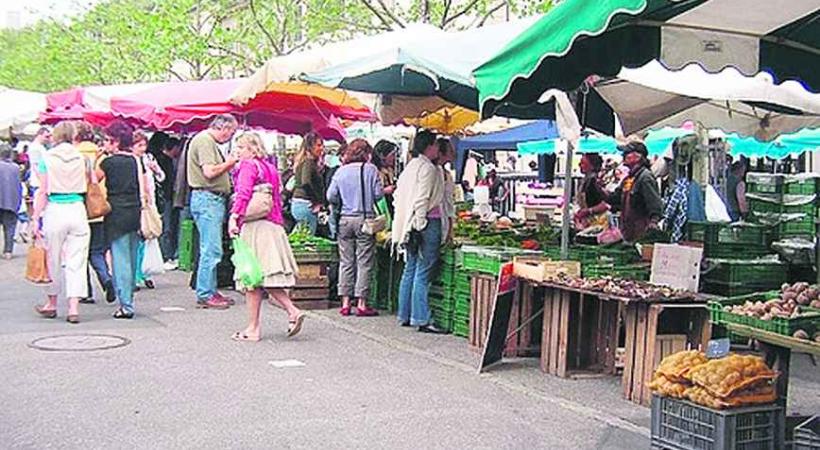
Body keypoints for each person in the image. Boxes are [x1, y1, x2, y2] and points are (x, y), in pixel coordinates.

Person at [227, 132, 304, 341]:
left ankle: (253, 328)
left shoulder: (248, 166)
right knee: (264, 278)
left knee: (251, 278)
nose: (238, 152)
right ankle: (290, 311)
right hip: (273, 225)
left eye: (241, 148)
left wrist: (234, 217)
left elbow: (243, 193)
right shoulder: (269, 168)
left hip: (255, 226)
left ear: (252, 148)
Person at [31, 121, 90, 324]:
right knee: (77, 260)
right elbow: (89, 182)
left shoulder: (47, 158)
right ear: (74, 135)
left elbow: (42, 190)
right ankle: (73, 306)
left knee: (53, 258)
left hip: (55, 209)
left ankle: (52, 303)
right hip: (78, 208)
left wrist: (35, 218)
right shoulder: (82, 158)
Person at [392, 130, 446, 334]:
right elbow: (422, 199)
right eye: (435, 145)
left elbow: (398, 195)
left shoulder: (410, 166)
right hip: (425, 223)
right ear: (429, 146)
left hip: (408, 224)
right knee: (423, 271)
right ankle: (421, 318)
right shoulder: (428, 169)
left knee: (410, 269)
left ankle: (404, 314)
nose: (437, 149)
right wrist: (421, 223)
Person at [327, 139, 383, 317]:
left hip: (344, 219)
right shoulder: (371, 169)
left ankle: (344, 302)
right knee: (364, 261)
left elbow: (331, 196)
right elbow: (378, 195)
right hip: (365, 220)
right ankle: (361, 302)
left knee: (346, 261)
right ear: (367, 153)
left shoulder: (341, 171)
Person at [187, 114, 238, 309]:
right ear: (223, 128)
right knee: (211, 248)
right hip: (208, 199)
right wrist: (230, 163)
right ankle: (205, 293)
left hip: (210, 199)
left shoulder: (206, 141)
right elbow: (208, 172)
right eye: (231, 132)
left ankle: (210, 288)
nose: (230, 137)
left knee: (211, 247)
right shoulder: (205, 141)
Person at [99, 120, 143, 319]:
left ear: (116, 142)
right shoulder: (135, 160)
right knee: (131, 256)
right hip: (134, 209)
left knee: (120, 258)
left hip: (115, 210)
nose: (105, 144)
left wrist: (99, 157)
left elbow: (92, 180)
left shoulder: (108, 162)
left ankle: (126, 303)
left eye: (108, 140)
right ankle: (129, 295)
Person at [75, 121, 115, 304]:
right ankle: (106, 278)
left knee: (80, 251)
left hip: (80, 207)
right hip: (99, 207)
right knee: (97, 251)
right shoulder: (102, 155)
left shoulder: (74, 155)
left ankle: (86, 291)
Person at [607, 141, 664, 243]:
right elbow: (615, 198)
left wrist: (653, 223)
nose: (623, 155)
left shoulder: (645, 177)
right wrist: (599, 189)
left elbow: (655, 205)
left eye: (627, 153)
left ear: (637, 157)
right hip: (628, 232)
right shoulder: (629, 178)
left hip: (641, 233)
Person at [132, 131, 165, 291]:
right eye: (139, 145)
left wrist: (156, 169)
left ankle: (144, 272)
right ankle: (137, 274)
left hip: (150, 203)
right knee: (139, 238)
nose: (143, 148)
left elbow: (161, 177)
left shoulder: (149, 158)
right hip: (137, 204)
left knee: (149, 236)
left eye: (144, 145)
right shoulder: (131, 160)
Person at [154, 135, 182, 268]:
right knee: (167, 227)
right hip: (166, 198)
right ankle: (165, 255)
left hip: (162, 198)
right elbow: (167, 181)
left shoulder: (159, 159)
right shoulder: (166, 161)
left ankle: (164, 255)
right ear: (174, 148)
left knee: (166, 227)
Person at [291, 132, 325, 235]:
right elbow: (306, 182)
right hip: (306, 204)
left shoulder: (302, 162)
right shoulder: (309, 162)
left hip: (298, 203)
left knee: (301, 236)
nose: (322, 148)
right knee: (308, 238)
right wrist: (316, 202)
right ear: (310, 147)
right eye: (318, 145)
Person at [573, 153, 611, 230]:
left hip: (597, 222)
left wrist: (588, 211)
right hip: (588, 220)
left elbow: (606, 204)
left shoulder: (593, 181)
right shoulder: (586, 180)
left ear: (591, 165)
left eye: (583, 163)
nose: (579, 165)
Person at [0, 144, 21, 259]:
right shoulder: (16, 168)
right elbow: (18, 186)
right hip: (11, 202)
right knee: (10, 227)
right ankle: (8, 251)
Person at [437, 138, 457, 244]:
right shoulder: (435, 172)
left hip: (443, 219)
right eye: (450, 150)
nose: (453, 153)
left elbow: (449, 202)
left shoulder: (446, 174)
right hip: (437, 221)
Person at [372, 140, 399, 215]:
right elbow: (369, 193)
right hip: (380, 210)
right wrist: (384, 191)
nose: (394, 158)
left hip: (390, 208)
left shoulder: (390, 170)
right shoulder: (373, 172)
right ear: (383, 156)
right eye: (392, 155)